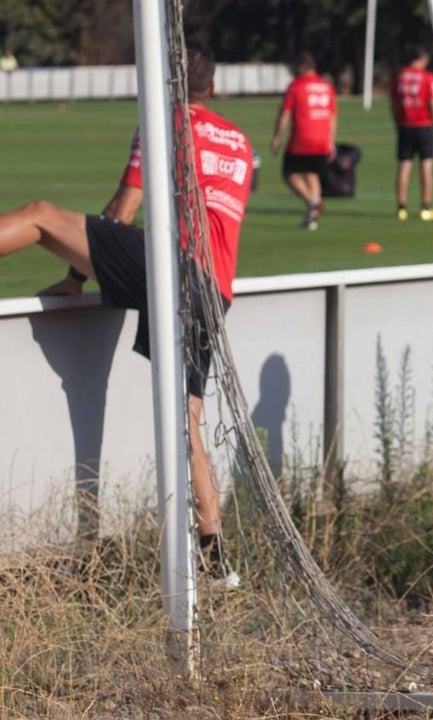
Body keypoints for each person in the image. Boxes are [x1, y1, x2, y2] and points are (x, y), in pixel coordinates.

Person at [0, 42, 250, 587]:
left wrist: (74, 276)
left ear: (171, 85)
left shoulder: (166, 124)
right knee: (188, 421)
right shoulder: (237, 139)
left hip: (173, 269)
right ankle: (214, 560)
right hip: (214, 289)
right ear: (214, 87)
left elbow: (123, 208)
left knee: (41, 217)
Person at [271, 51, 337, 231]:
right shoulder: (326, 86)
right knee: (311, 173)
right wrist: (331, 141)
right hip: (322, 140)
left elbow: (285, 113)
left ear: (301, 66)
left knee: (289, 173)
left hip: (302, 139)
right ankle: (311, 219)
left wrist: (277, 136)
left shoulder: (296, 86)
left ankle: (312, 202)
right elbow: (332, 116)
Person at [390, 45, 433, 222]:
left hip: (405, 125)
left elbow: (394, 102)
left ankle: (401, 207)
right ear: (422, 59)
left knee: (404, 165)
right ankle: (426, 207)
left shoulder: (400, 76)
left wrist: (398, 120)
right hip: (424, 125)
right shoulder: (428, 78)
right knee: (426, 167)